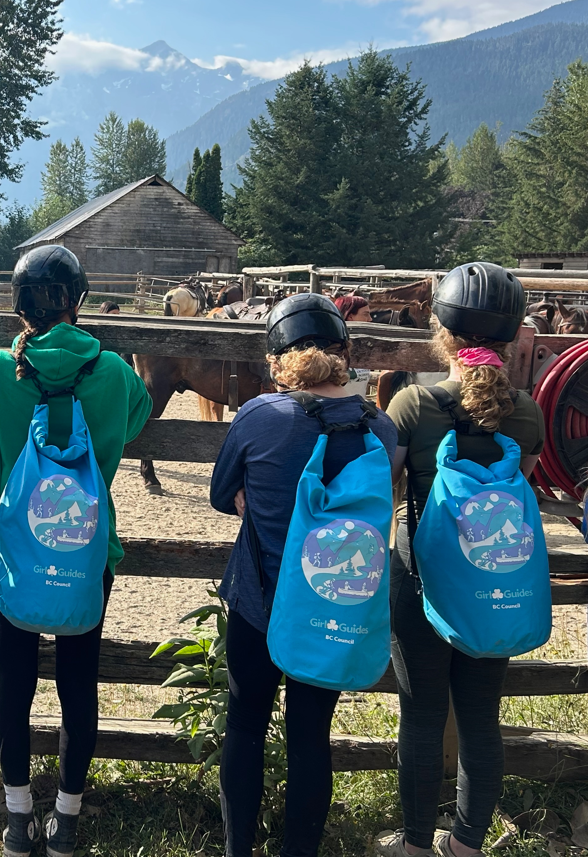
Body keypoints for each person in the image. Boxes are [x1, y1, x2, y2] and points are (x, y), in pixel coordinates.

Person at [0, 245, 152, 857]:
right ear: (80, 301)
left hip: (13, 550)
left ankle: (17, 818)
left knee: (13, 681)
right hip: (86, 550)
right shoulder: (115, 372)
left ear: (19, 307)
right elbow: (139, 417)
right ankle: (66, 819)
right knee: (79, 683)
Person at [210, 292, 398, 857]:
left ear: (278, 360)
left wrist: (254, 498)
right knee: (310, 737)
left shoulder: (260, 417)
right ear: (344, 353)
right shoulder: (381, 430)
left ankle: (238, 848)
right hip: (330, 606)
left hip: (259, 601)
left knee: (244, 726)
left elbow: (223, 496)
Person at [375, 263, 543, 857]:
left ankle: (415, 842)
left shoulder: (412, 405)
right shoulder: (526, 414)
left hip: (419, 575)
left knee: (421, 716)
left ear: (442, 331)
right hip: (493, 575)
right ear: (512, 335)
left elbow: (387, 491)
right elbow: (510, 491)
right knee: (480, 715)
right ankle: (467, 842)